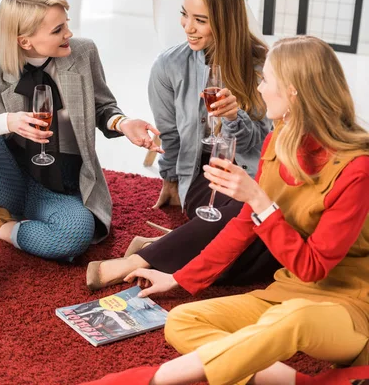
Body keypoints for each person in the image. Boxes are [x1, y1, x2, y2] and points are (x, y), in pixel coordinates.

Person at [79, 36, 369, 385]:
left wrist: (260, 201)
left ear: (292, 92)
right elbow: (243, 226)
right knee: (182, 321)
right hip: (284, 294)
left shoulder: (357, 169)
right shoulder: (280, 139)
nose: (259, 89)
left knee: (294, 319)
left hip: (352, 307)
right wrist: (177, 278)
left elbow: (312, 267)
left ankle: (154, 379)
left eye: (266, 80)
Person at [86, 0, 280, 291]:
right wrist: (172, 180)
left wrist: (234, 118)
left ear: (225, 21)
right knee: (250, 223)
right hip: (204, 176)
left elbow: (263, 145)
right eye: (184, 14)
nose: (187, 27)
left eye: (200, 20)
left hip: (251, 174)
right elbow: (170, 135)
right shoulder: (168, 67)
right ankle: (134, 263)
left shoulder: (263, 68)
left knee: (264, 235)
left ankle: (153, 250)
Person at [0, 0, 162, 301]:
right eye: (58, 30)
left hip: (58, 183)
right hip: (6, 178)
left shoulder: (83, 53)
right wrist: (8, 121)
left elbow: (102, 107)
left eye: (67, 24)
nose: (69, 33)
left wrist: (122, 124)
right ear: (24, 41)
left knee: (76, 236)